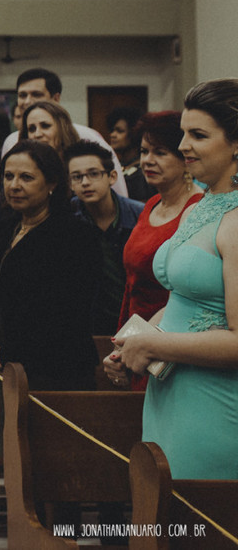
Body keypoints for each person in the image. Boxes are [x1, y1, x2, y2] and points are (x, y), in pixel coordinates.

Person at [106, 80, 238, 479]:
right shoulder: (203, 206)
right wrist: (136, 339)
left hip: (210, 404)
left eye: (198, 135)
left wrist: (153, 343)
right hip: (169, 395)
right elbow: (183, 299)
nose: (183, 145)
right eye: (184, 133)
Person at [0, 141, 102, 419]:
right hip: (6, 367)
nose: (14, 185)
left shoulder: (74, 236)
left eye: (26, 177)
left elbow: (68, 312)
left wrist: (12, 351)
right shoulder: (3, 229)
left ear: (52, 184)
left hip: (56, 371)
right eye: (9, 176)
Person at [104, 112, 202, 391]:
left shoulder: (196, 209)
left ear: (184, 158)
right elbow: (131, 284)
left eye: (160, 152)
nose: (148, 160)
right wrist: (120, 344)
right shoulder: (151, 205)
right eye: (144, 151)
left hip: (168, 343)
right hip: (135, 337)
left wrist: (140, 341)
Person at [0, 67, 127, 196]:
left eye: (36, 94)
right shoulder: (12, 142)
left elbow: (118, 195)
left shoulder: (88, 137)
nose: (27, 101)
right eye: (22, 95)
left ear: (55, 98)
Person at [67, 140, 146, 335]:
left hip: (136, 322)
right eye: (77, 177)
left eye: (94, 174)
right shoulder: (66, 219)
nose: (85, 182)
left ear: (111, 177)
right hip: (86, 326)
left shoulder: (140, 215)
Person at [107, 106, 154, 202]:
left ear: (134, 133)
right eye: (112, 130)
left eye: (119, 131)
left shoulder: (144, 170)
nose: (113, 135)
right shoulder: (115, 165)